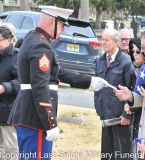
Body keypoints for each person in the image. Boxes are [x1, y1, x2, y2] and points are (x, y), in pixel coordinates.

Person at [7, 6, 107, 160]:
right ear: (52, 22)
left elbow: (55, 72)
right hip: (36, 118)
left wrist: (89, 80)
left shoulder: (34, 38)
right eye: (61, 25)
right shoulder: (41, 45)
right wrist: (50, 123)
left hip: (28, 114)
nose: (63, 29)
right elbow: (40, 87)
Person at [94, 29, 134, 160]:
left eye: (106, 40)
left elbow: (131, 90)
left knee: (122, 155)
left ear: (116, 42)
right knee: (106, 154)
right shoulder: (100, 60)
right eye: (102, 39)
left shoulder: (126, 62)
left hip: (121, 118)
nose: (103, 42)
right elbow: (97, 87)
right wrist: (98, 105)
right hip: (106, 115)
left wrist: (127, 114)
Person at [125, 37, 145, 158]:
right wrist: (128, 103)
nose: (135, 54)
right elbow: (131, 91)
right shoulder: (135, 71)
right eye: (133, 51)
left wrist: (133, 107)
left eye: (138, 51)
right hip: (135, 119)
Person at [0, 26, 18, 160]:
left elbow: (22, 82)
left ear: (9, 40)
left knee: (10, 148)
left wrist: (5, 87)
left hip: (9, 111)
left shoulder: (16, 58)